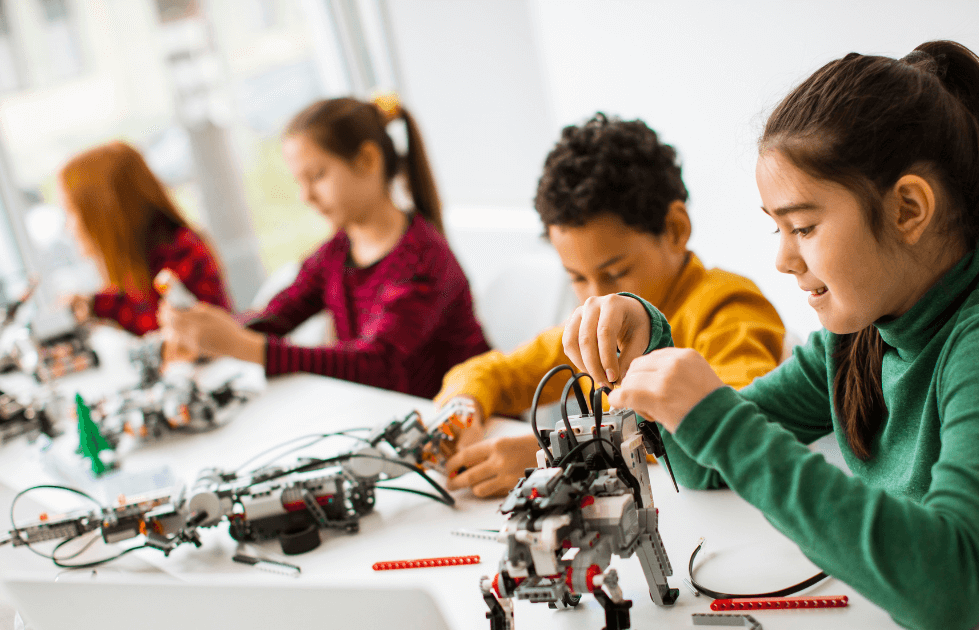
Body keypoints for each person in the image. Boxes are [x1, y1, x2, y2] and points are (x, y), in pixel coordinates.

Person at [562, 41, 979, 630]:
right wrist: (653, 348)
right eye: (776, 227)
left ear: (909, 209)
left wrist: (721, 422)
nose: (781, 259)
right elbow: (705, 462)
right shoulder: (858, 336)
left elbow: (952, 587)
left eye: (803, 226)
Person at [438, 114, 785, 497]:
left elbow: (734, 421)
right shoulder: (600, 324)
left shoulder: (727, 307)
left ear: (674, 229)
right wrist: (461, 410)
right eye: (577, 277)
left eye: (616, 272)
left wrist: (564, 455)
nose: (594, 297)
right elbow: (495, 372)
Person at [158, 95, 489, 399]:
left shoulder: (424, 258)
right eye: (298, 182)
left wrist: (241, 345)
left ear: (368, 160)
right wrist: (208, 333)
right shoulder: (336, 253)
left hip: (471, 426)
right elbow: (278, 315)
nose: (305, 197)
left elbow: (377, 365)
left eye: (316, 176)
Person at [59, 141, 232, 335]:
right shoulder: (148, 261)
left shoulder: (179, 255)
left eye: (71, 212)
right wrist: (93, 305)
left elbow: (162, 329)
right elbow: (135, 308)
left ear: (104, 215)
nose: (69, 227)